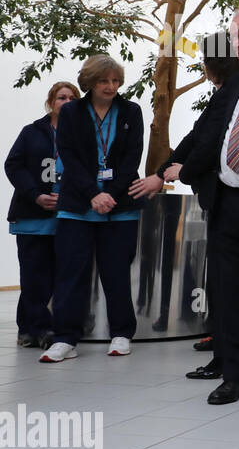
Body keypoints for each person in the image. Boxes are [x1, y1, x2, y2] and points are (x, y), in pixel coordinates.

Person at [154, 9, 239, 406]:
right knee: (230, 293)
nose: (237, 44)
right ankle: (234, 374)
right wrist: (172, 169)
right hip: (229, 203)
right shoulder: (238, 81)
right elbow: (210, 132)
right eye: (234, 37)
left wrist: (183, 168)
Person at [129, 34, 239, 382]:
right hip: (224, 200)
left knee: (230, 286)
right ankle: (232, 352)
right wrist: (163, 171)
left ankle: (231, 357)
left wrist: (181, 171)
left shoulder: (233, 92)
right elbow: (196, 136)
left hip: (232, 203)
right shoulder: (230, 91)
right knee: (228, 285)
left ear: (209, 66)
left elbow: (207, 142)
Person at [41, 55, 145, 362]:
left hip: (120, 206)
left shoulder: (131, 111)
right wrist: (92, 195)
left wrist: (109, 194)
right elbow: (70, 158)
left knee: (116, 273)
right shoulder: (72, 111)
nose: (111, 86)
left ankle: (122, 334)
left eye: (115, 80)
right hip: (77, 206)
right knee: (71, 274)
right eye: (103, 81)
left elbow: (132, 158)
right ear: (89, 81)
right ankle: (65, 339)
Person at [6, 81, 80, 349]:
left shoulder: (83, 136)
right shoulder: (31, 132)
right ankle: (38, 329)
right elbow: (13, 165)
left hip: (68, 217)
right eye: (62, 97)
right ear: (51, 102)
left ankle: (31, 328)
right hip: (32, 216)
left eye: (73, 97)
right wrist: (36, 194)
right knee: (33, 276)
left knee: (54, 277)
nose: (67, 101)